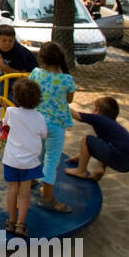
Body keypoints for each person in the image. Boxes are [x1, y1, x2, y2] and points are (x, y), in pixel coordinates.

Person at [28, 42, 76, 212]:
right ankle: (47, 198)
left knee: (38, 153)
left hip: (37, 122)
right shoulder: (66, 79)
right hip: (55, 125)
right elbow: (69, 100)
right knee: (51, 160)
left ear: (41, 59)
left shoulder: (36, 73)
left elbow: (30, 91)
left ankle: (33, 178)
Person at [0, 78, 47, 239]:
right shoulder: (39, 117)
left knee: (12, 189)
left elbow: (5, 125)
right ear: (38, 99)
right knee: (25, 194)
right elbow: (44, 134)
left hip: (12, 159)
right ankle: (21, 224)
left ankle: (11, 220)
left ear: (16, 97)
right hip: (30, 162)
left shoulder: (11, 112)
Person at [65, 96, 129, 182]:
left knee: (86, 139)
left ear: (98, 111)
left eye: (94, 109)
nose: (92, 112)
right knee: (103, 143)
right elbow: (95, 147)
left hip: (121, 157)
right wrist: (78, 157)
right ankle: (100, 169)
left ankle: (81, 171)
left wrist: (60, 104)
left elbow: (76, 115)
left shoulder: (99, 118)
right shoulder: (113, 126)